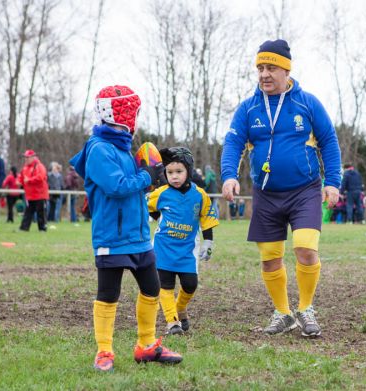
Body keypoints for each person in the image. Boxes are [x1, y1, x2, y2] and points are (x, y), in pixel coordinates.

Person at [221, 39, 341, 338]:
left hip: (305, 191)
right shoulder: (249, 108)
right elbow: (233, 142)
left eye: (271, 67)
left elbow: (329, 141)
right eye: (260, 68)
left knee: (305, 248)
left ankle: (306, 308)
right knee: (270, 257)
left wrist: (333, 182)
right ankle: (283, 312)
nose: (264, 74)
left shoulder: (307, 103)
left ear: (286, 70)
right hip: (266, 193)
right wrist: (229, 175)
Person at [69, 85, 182, 372]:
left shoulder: (122, 147)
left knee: (152, 288)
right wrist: (146, 176)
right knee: (108, 294)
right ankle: (104, 352)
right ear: (116, 113)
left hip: (138, 236)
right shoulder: (98, 149)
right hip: (112, 237)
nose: (134, 117)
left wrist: (153, 166)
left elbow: (133, 185)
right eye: (131, 111)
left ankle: (146, 346)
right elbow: (116, 186)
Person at [147, 147, 219, 335]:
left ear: (188, 171)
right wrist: (153, 216)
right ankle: (173, 322)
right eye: (170, 173)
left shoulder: (200, 195)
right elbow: (150, 209)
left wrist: (208, 242)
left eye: (179, 171)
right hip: (163, 248)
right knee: (165, 286)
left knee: (190, 284)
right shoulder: (160, 193)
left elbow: (206, 219)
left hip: (188, 249)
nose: (174, 176)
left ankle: (180, 308)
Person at [18, 150, 49, 232]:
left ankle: (42, 228)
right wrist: (18, 181)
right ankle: (24, 228)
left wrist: (29, 180)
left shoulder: (39, 166)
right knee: (28, 212)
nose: (26, 159)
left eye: (27, 157)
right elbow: (21, 178)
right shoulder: (25, 168)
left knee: (41, 212)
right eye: (25, 157)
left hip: (40, 194)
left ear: (33, 157)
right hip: (30, 195)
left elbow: (41, 177)